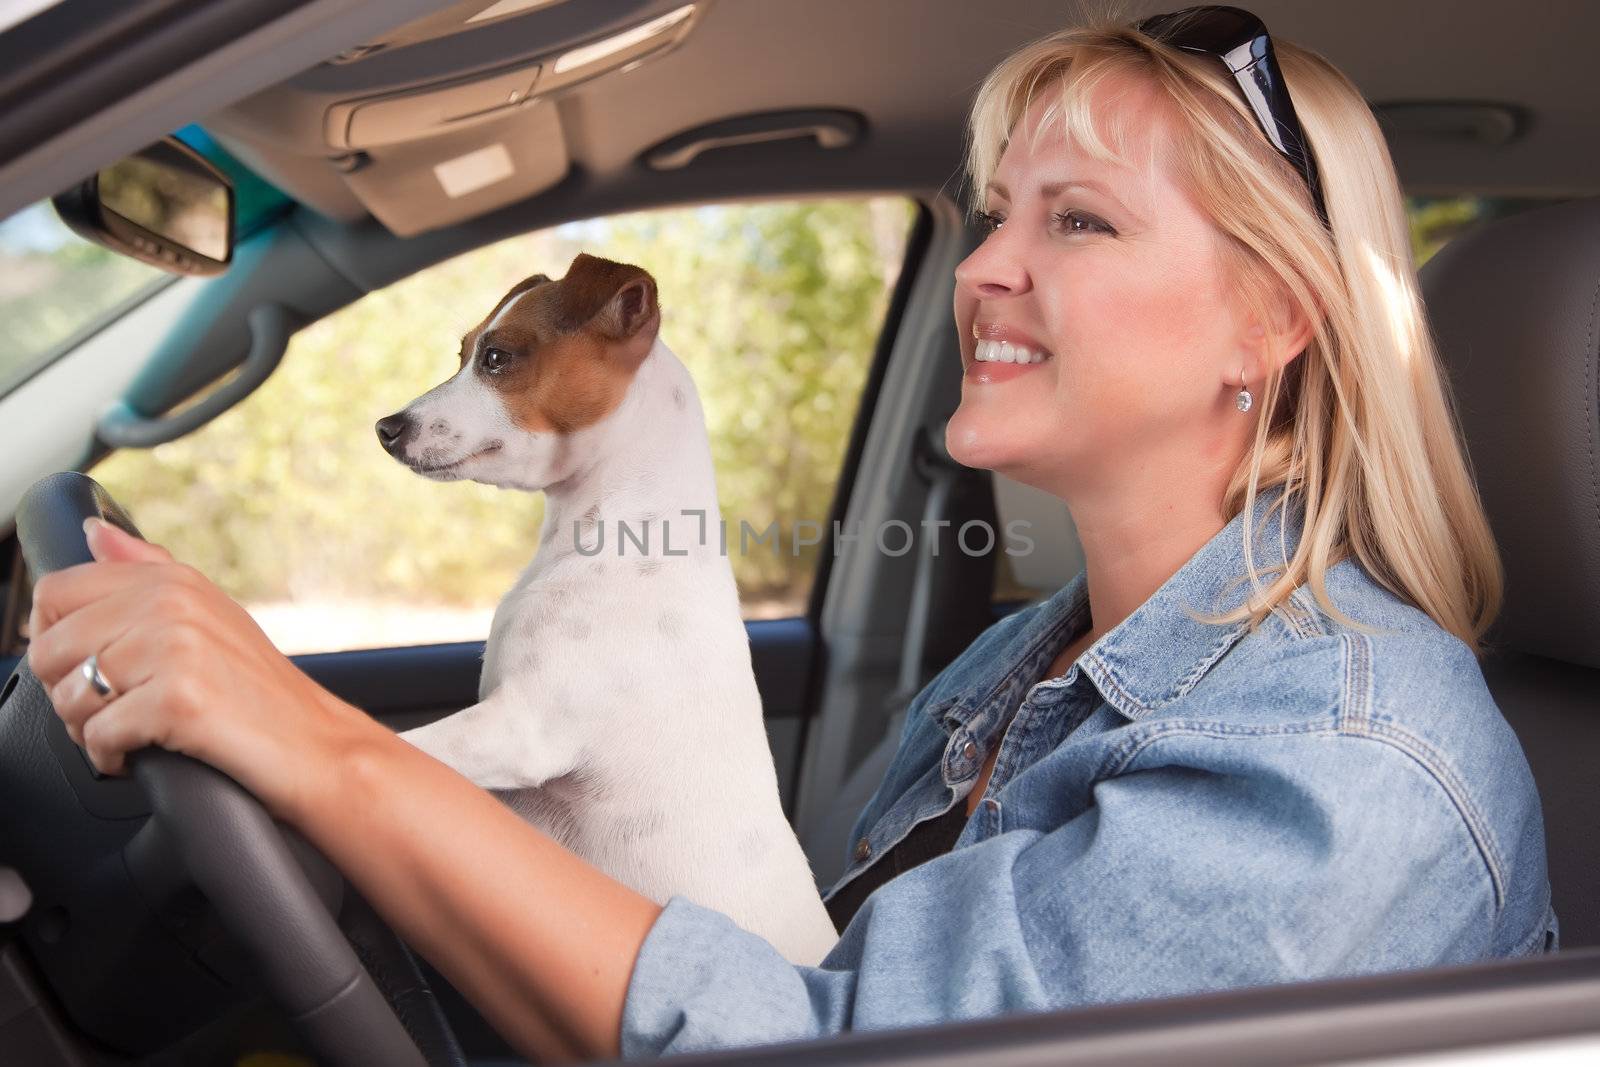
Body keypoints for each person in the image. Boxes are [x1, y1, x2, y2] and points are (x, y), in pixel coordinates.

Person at [26, 7, 1556, 1063]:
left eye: (1075, 221)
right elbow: (809, 987)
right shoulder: (1040, 657)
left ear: (1271, 319)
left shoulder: (1346, 769)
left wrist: (320, 749)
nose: (988, 268)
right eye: (991, 212)